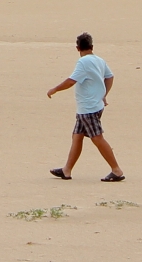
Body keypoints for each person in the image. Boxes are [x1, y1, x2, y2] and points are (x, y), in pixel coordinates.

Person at [46, 32, 124, 182]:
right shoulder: (99, 60)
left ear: (77, 48)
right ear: (92, 46)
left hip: (89, 108)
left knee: (97, 138)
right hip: (90, 107)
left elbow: (71, 81)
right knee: (77, 137)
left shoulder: (83, 62)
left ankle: (117, 170)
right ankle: (66, 170)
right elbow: (109, 76)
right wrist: (103, 94)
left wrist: (55, 89)